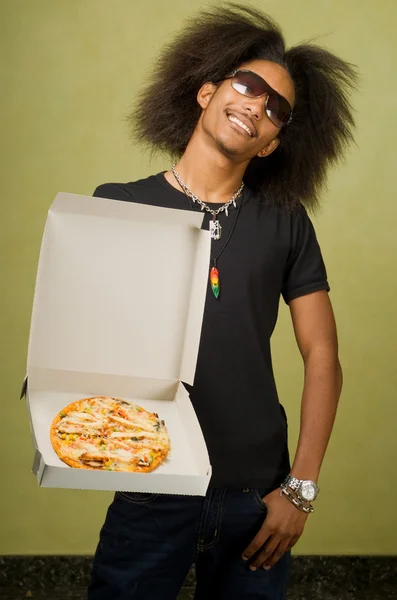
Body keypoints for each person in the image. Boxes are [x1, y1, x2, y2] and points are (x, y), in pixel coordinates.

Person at [87, 5, 357, 599]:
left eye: (275, 109)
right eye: (248, 86)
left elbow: (323, 356)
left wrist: (300, 489)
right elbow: (84, 338)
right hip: (149, 485)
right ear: (207, 91)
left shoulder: (286, 222)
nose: (258, 106)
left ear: (271, 144)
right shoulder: (119, 207)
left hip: (256, 499)